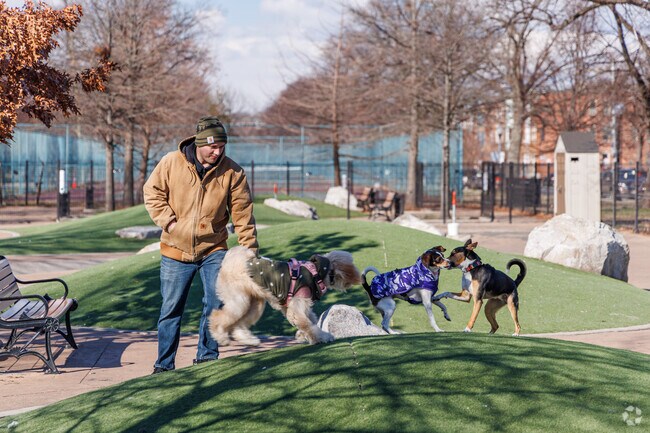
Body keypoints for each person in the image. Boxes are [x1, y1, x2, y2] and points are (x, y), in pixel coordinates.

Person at [143, 116, 258, 374]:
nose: (217, 152)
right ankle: (164, 365)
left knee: (215, 303)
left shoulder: (233, 172)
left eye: (222, 147)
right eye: (212, 147)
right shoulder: (171, 162)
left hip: (213, 249)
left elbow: (243, 214)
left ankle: (206, 360)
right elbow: (152, 193)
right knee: (171, 309)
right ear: (198, 144)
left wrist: (249, 251)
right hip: (175, 249)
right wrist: (170, 224)